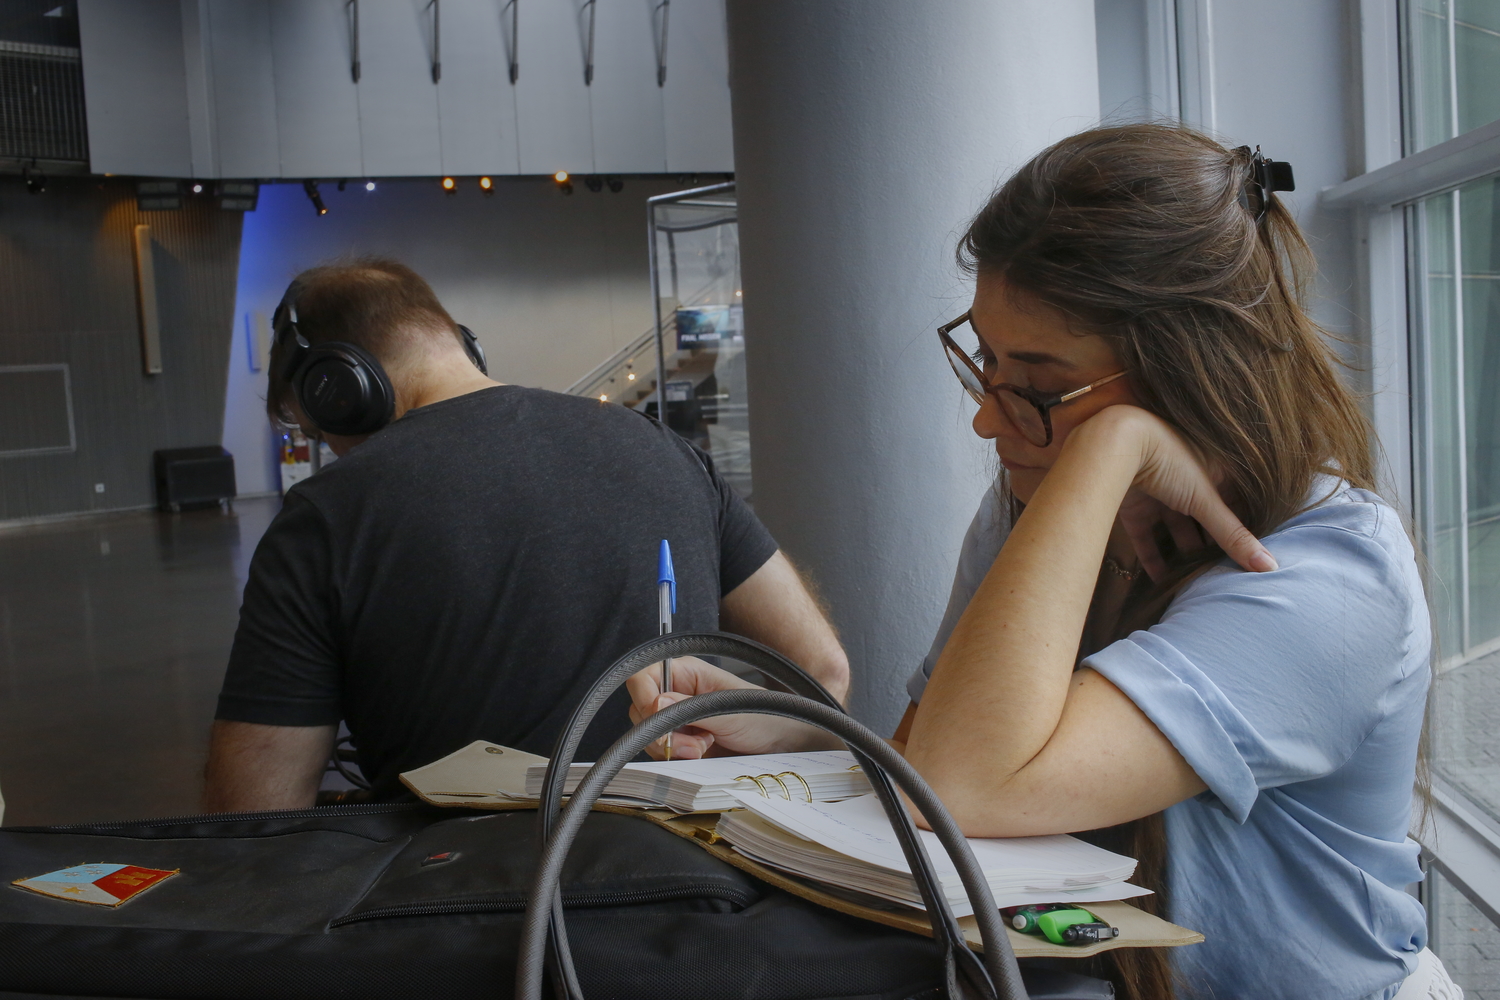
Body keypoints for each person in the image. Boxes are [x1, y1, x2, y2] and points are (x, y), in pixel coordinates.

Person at [626, 125, 1455, 1000]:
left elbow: (967, 785)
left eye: (1039, 381)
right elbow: (929, 758)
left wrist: (1112, 447)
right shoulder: (1040, 506)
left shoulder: (1329, 581)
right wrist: (802, 735)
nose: (989, 419)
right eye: (984, 358)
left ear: (1194, 372)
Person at [203, 258, 847, 811]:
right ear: (462, 343)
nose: (333, 452)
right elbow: (823, 673)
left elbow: (255, 813)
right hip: (687, 892)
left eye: (320, 433)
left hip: (465, 914)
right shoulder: (665, 450)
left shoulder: (325, 514)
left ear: (339, 389)